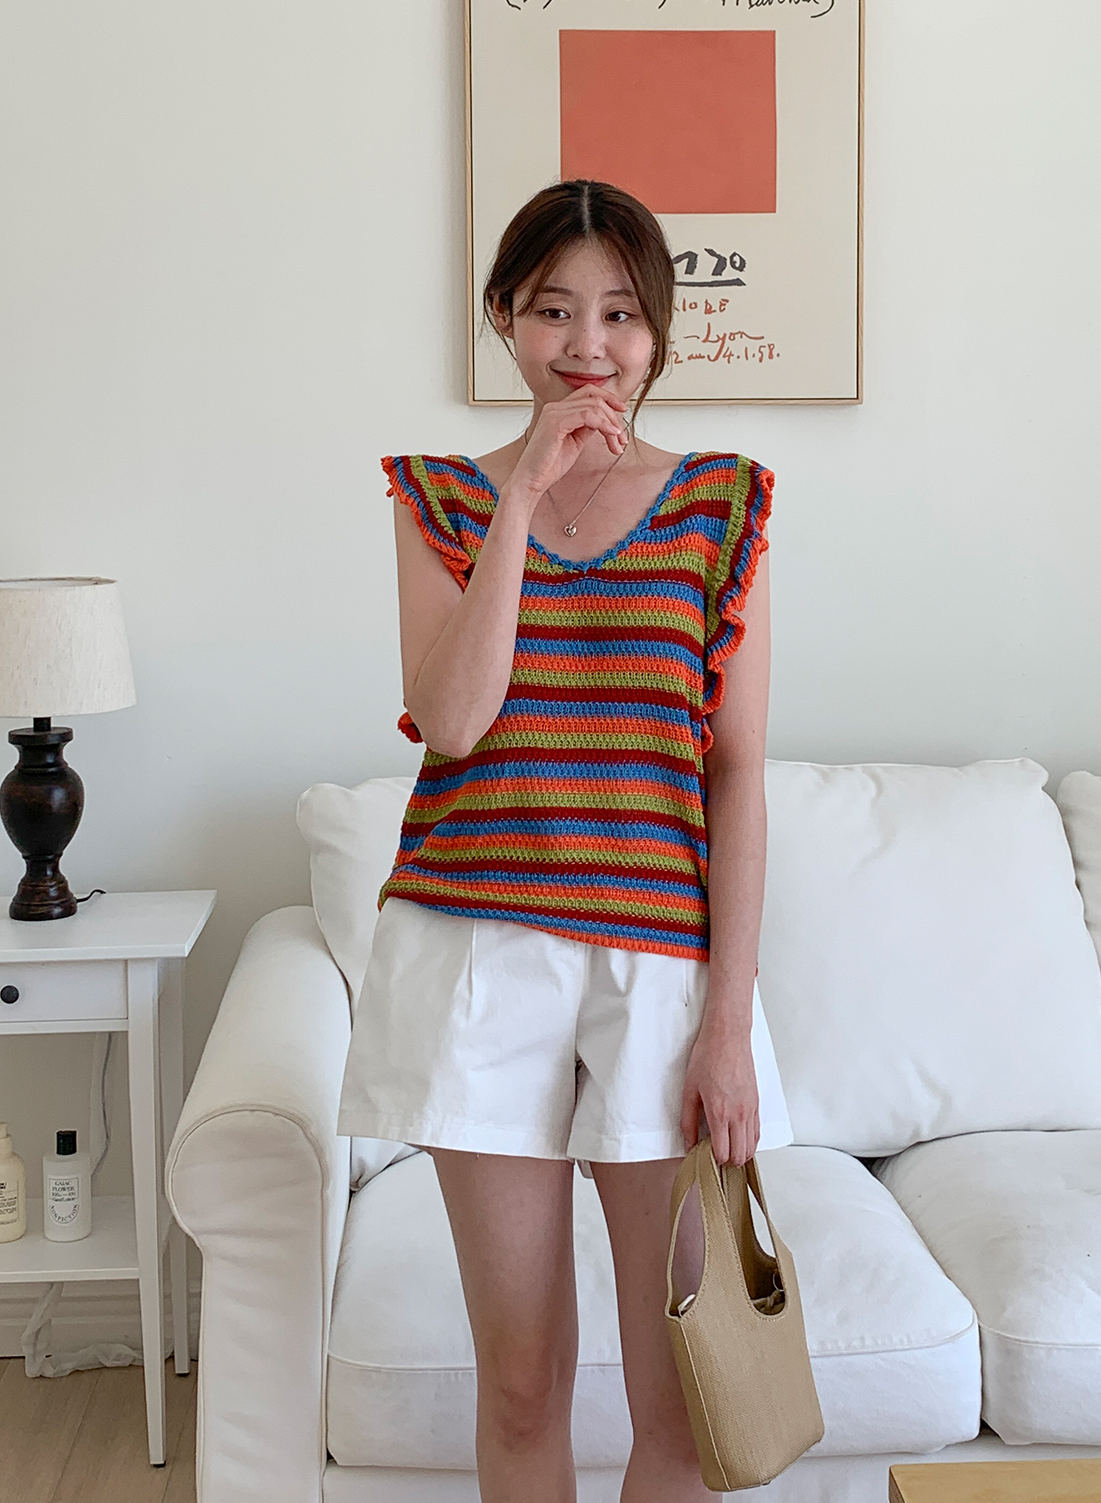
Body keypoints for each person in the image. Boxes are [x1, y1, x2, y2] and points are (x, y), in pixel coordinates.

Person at [337, 178, 792, 1503]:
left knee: (683, 1402)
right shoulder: (440, 499)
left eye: (621, 314)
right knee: (524, 1383)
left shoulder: (722, 507)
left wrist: (726, 1024)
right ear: (502, 317)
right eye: (553, 311)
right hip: (475, 957)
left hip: (659, 969)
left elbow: (737, 775)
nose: (589, 346)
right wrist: (525, 494)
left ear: (659, 331)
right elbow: (453, 720)